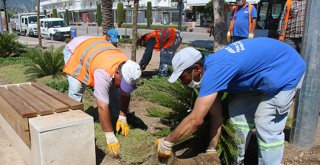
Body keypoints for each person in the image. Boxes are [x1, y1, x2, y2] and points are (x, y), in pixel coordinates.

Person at [156, 38, 306, 165]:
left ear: (196, 68)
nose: (182, 82)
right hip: (263, 75)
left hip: (286, 70)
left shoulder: (215, 72)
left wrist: (167, 142)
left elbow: (195, 120)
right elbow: (217, 116)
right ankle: (236, 161)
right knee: (237, 112)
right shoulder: (211, 68)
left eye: (182, 77)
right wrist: (211, 149)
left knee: (265, 123)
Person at [63, 34, 142, 156]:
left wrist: (122, 116)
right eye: (123, 81)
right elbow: (101, 106)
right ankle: (73, 121)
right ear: (116, 73)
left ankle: (116, 118)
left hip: (95, 49)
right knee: (76, 87)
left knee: (115, 90)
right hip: (75, 50)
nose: (124, 86)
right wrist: (109, 135)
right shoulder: (103, 72)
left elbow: (125, 93)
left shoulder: (127, 66)